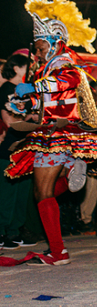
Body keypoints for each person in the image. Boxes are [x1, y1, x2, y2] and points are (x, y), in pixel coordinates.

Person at [5, 0, 97, 265]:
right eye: (38, 47)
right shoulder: (48, 67)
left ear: (55, 42)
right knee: (42, 192)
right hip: (54, 132)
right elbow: (49, 98)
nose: (39, 52)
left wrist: (33, 88)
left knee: (42, 192)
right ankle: (71, 170)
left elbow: (68, 81)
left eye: (42, 46)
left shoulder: (64, 64)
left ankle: (58, 251)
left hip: (58, 135)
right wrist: (23, 102)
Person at [0, 53, 36, 250]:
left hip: (26, 147)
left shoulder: (26, 93)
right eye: (26, 67)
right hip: (9, 149)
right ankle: (1, 231)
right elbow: (9, 120)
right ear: (16, 68)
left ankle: (15, 230)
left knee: (22, 193)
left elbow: (27, 116)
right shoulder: (7, 89)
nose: (29, 70)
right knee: (7, 193)